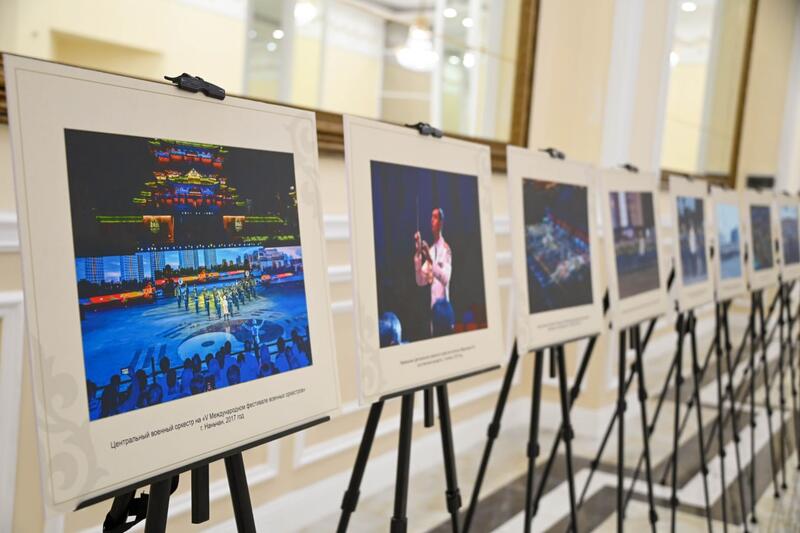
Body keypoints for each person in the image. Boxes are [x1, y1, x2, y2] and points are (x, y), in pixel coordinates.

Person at [414, 207, 452, 310]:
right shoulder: (430, 250)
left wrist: (430, 259)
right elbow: (420, 281)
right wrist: (418, 253)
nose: (431, 220)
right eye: (431, 217)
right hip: (434, 309)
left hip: (444, 309)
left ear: (441, 223)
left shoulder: (446, 249)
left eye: (435, 217)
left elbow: (445, 279)